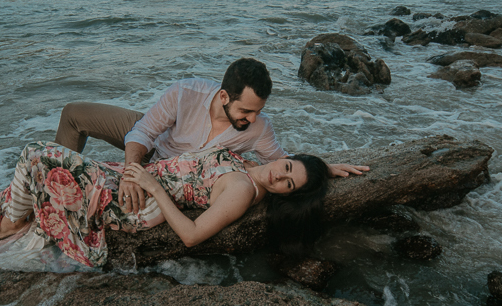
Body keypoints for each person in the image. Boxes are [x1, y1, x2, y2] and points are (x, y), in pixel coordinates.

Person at [0, 141, 330, 269]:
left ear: (285, 196)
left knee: (38, 153)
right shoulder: (255, 162)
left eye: (289, 185)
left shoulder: (242, 190)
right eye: (288, 166)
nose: (281, 175)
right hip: (133, 180)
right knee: (45, 178)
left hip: (140, 203)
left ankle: (16, 222)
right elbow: (295, 166)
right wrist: (330, 166)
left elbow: (192, 235)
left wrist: (149, 183)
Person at [54, 57, 368, 214]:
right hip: (154, 145)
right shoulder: (185, 92)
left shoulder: (259, 128)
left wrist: (325, 168)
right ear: (222, 97)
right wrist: (130, 175)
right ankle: (53, 184)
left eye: (258, 111)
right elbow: (145, 131)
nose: (253, 118)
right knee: (73, 114)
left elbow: (281, 162)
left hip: (176, 174)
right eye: (245, 111)